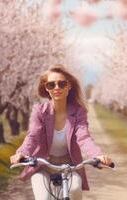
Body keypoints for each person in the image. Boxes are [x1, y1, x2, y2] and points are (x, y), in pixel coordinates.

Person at [10, 64, 112, 200]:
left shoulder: (78, 112)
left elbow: (84, 138)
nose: (56, 88)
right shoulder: (39, 111)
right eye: (51, 85)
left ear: (68, 86)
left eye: (61, 84)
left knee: (75, 190)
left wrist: (98, 155)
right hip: (43, 164)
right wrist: (22, 153)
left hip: (69, 166)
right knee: (44, 197)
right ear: (46, 88)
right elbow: (33, 136)